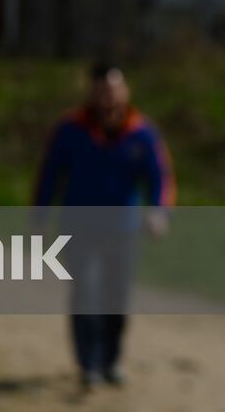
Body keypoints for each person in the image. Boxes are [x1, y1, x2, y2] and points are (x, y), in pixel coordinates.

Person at [33, 62, 175, 391]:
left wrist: (159, 213)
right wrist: (39, 216)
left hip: (123, 230)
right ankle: (89, 364)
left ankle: (111, 361)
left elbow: (160, 178)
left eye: (114, 89)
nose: (108, 97)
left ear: (125, 91)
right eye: (101, 90)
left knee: (117, 298)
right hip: (78, 227)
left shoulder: (142, 132)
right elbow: (49, 174)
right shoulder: (69, 130)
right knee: (85, 293)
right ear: (91, 92)